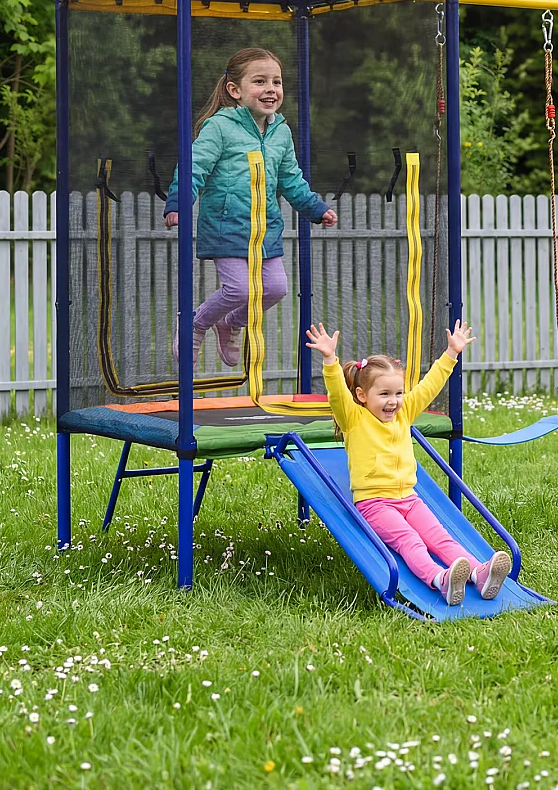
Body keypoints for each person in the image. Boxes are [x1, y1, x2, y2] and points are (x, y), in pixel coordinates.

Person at [304, 320, 513, 605]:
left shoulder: (404, 414)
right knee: (410, 541)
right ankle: (440, 580)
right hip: (375, 503)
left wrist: (451, 353)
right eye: (384, 394)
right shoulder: (354, 419)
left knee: (440, 538)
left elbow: (429, 386)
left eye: (398, 393)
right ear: (362, 395)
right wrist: (330, 359)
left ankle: (479, 573)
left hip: (409, 499)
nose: (393, 401)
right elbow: (338, 393)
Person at [164, 47, 337, 369]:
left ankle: (230, 322)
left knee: (276, 289)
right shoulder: (220, 126)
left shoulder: (281, 132)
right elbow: (193, 167)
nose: (271, 89)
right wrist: (179, 201)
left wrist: (314, 207)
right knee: (240, 290)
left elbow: (290, 179)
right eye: (260, 81)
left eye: (276, 82)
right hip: (226, 225)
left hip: (264, 227)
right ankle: (196, 323)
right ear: (235, 90)